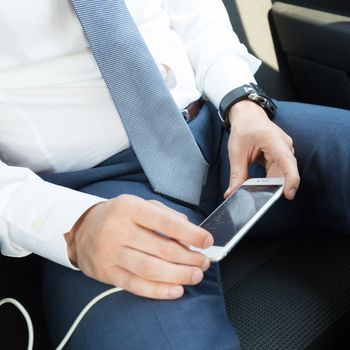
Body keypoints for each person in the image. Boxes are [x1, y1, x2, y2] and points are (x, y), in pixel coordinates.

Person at [1, 0, 349, 349]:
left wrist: (243, 101)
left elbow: (195, 11)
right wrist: (74, 226)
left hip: (224, 129)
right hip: (96, 198)